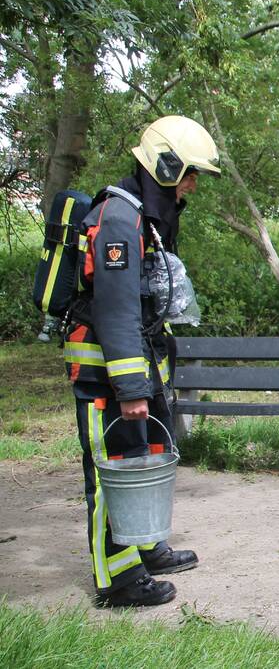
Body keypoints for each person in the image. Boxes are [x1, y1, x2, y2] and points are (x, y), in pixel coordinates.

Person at [64, 115, 221, 605]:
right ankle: (118, 581)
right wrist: (131, 388)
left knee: (147, 454)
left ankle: (146, 544)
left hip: (141, 365)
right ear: (166, 165)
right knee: (114, 470)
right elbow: (115, 309)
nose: (194, 183)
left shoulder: (146, 219)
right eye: (191, 172)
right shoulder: (118, 219)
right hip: (105, 374)